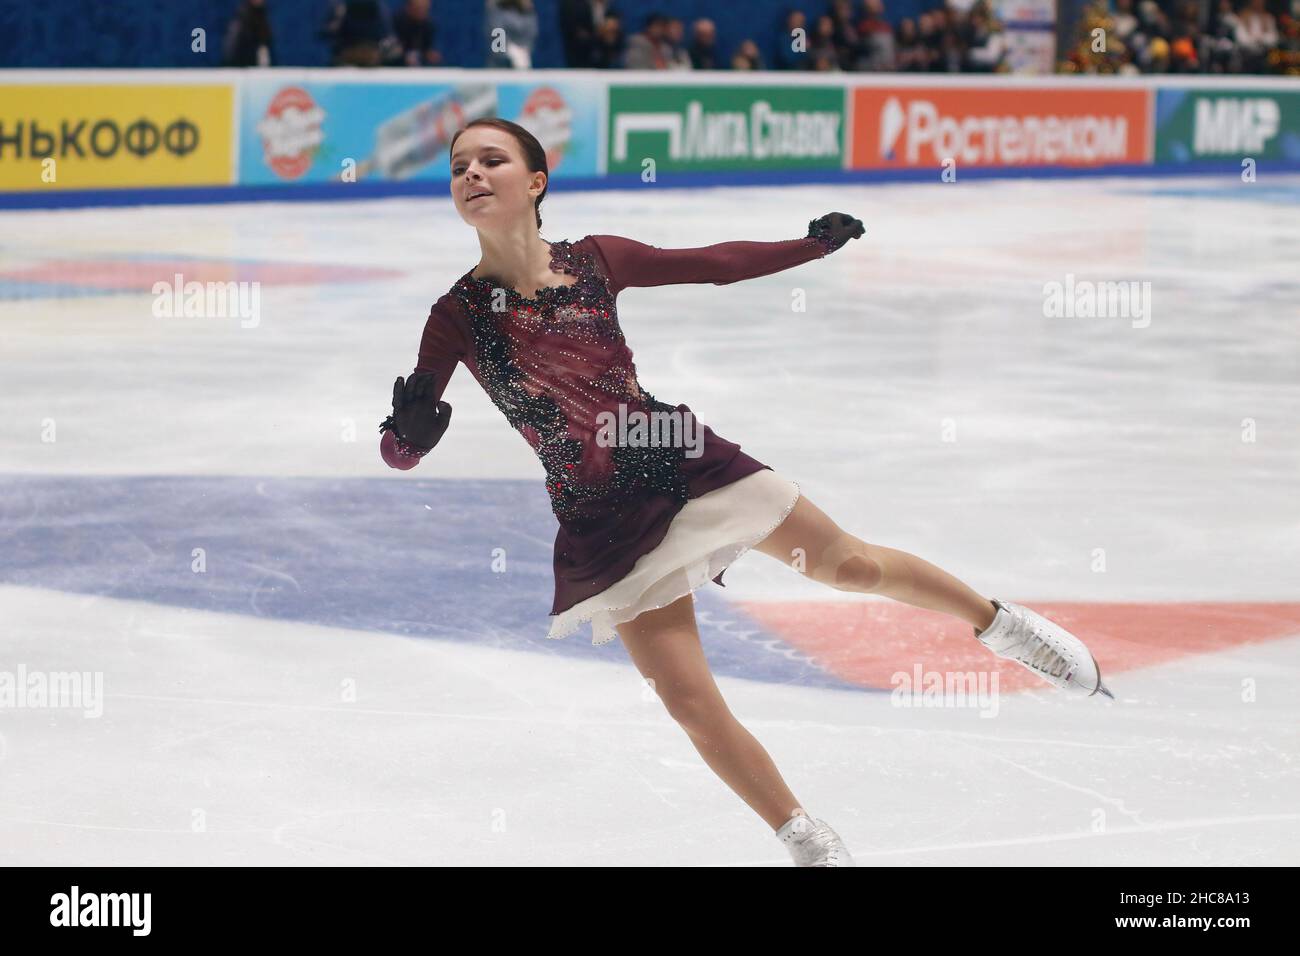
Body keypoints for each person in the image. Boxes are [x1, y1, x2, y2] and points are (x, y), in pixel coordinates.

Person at [378, 118, 1115, 866]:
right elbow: (398, 453)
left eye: (490, 160)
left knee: (849, 566)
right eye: (458, 165)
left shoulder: (596, 260)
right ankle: (807, 839)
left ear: (535, 182)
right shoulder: (456, 317)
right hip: (600, 512)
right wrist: (408, 434)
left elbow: (713, 263)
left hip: (674, 455)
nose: (470, 174)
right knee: (689, 701)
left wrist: (810, 246)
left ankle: (1004, 627)